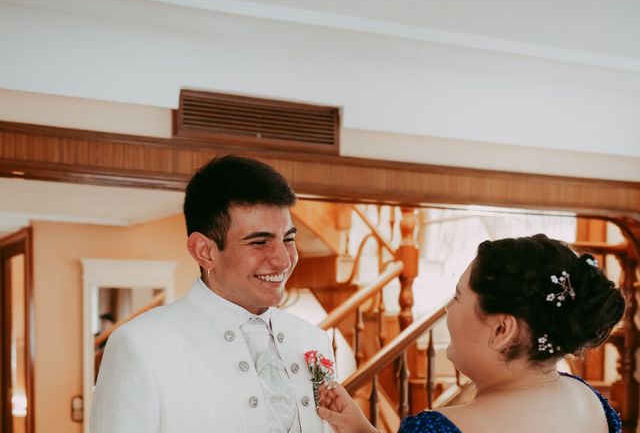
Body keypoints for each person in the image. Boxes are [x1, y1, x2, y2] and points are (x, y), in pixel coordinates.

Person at [91, 155, 335, 433]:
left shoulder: (312, 339)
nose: (283, 259)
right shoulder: (140, 346)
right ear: (205, 251)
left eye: (288, 239)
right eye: (259, 242)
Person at [316, 234, 625, 433]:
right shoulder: (588, 399)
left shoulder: (444, 428)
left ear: (502, 330)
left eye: (458, 297)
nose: (449, 310)